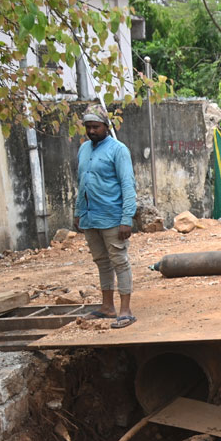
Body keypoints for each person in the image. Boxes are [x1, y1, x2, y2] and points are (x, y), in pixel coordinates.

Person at [74, 106, 137, 328]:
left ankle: (125, 310)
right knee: (102, 262)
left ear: (106, 127)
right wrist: (78, 212)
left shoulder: (118, 150)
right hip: (91, 217)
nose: (91, 131)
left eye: (95, 127)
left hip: (113, 217)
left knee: (119, 261)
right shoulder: (83, 150)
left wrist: (126, 219)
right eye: (88, 127)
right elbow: (81, 182)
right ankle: (107, 307)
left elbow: (128, 185)